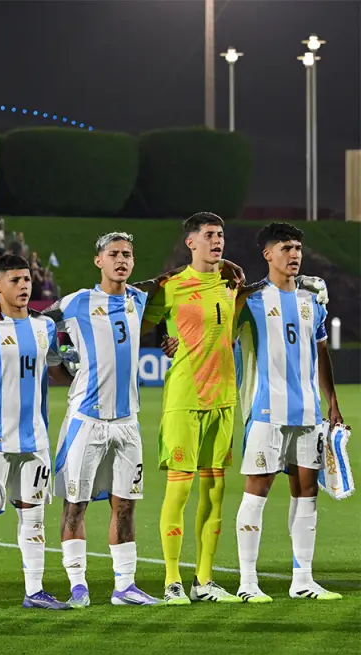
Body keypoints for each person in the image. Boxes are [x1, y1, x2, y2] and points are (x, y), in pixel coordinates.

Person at [0, 233, 163, 607]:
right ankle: (78, 586)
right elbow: (31, 319)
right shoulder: (76, 302)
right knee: (75, 504)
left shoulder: (139, 298)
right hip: (86, 419)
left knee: (125, 505)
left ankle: (125, 586)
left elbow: (170, 281)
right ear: (99, 261)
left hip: (128, 422)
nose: (121, 260)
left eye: (127, 254)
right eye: (113, 254)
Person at [233, 223, 343, 602]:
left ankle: (303, 580)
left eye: (297, 247)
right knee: (257, 491)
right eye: (285, 248)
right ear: (268, 254)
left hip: (309, 413)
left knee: (307, 493)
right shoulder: (250, 300)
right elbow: (220, 335)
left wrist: (332, 402)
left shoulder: (313, 301)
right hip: (267, 412)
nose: (294, 254)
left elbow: (321, 353)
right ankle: (248, 582)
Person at [0, 254, 74, 612]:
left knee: (34, 515)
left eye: (27, 279)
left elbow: (55, 367)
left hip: (35, 438)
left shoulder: (45, 327)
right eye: (15, 280)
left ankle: (35, 590)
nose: (24, 286)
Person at [142, 212, 244, 605]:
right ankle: (172, 581)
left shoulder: (231, 283)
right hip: (185, 399)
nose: (217, 241)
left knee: (215, 491)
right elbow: (139, 321)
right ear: (191, 242)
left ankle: (204, 580)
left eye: (221, 235)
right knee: (180, 489)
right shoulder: (171, 287)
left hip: (224, 399)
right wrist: (163, 339)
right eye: (209, 235)